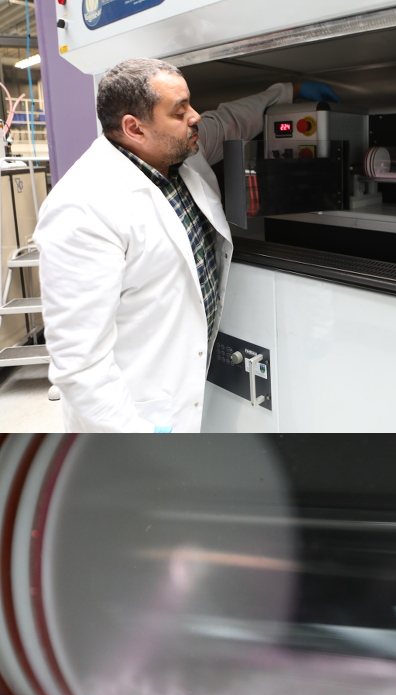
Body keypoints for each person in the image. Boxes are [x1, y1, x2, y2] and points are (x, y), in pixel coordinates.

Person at [33, 58, 338, 432]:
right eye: (180, 112)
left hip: (188, 388)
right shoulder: (82, 208)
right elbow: (79, 364)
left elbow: (229, 120)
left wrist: (286, 92)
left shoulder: (179, 156)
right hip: (133, 417)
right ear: (134, 127)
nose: (195, 117)